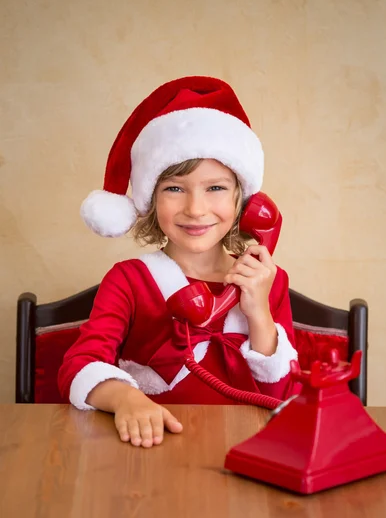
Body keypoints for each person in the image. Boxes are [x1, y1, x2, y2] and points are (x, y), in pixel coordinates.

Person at [58, 76, 298, 448]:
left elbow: (284, 393)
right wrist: (127, 399)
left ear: (245, 203)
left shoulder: (270, 280)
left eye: (216, 188)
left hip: (248, 448)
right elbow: (78, 364)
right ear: (151, 199)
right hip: (152, 449)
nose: (195, 209)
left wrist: (258, 313)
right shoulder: (129, 280)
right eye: (174, 188)